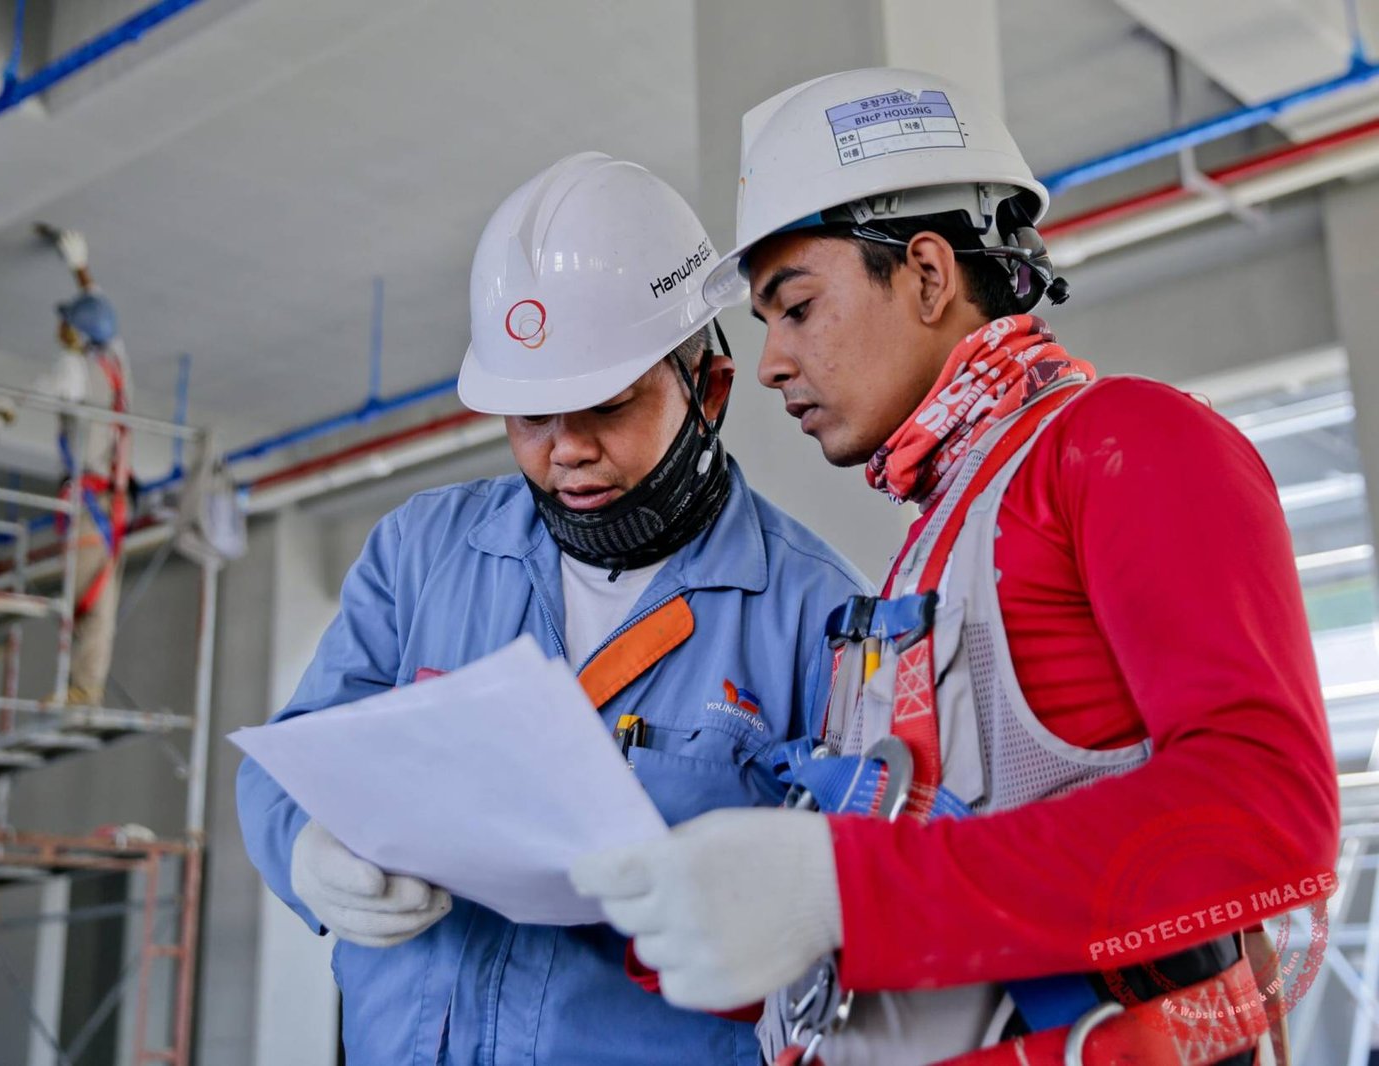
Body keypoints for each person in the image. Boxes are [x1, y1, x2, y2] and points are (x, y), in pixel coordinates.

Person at [571, 70, 1340, 1065]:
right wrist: (723, 910)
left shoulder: (1123, 444)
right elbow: (927, 870)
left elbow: (1264, 815)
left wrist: (839, 890)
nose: (769, 363)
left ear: (928, 275)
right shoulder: (933, 548)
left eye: (795, 307)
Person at [235, 151, 871, 1065]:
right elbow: (293, 754)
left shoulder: (816, 615)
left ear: (710, 390)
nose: (565, 450)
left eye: (606, 408)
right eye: (531, 416)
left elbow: (856, 915)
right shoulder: (420, 556)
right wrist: (305, 850)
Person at [0, 226, 134, 706]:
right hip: (109, 499)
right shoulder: (115, 360)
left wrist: (10, 406)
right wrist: (80, 268)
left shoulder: (75, 370)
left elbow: (49, 382)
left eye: (66, 323)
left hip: (89, 503)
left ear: (76, 334)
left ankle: (80, 689)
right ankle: (84, 686)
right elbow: (100, 311)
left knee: (84, 600)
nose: (59, 328)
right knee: (96, 597)